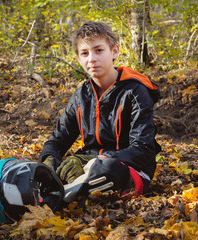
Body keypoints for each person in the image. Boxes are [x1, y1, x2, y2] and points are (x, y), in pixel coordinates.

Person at [39, 21, 161, 200]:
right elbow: (57, 140)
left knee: (106, 170)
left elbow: (142, 149)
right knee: (43, 173)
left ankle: (69, 193)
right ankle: (64, 194)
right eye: (85, 53)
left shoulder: (135, 91)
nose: (92, 59)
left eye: (98, 50)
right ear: (78, 59)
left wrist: (90, 160)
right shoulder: (80, 96)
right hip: (89, 166)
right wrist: (49, 160)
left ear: (114, 51)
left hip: (131, 169)